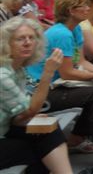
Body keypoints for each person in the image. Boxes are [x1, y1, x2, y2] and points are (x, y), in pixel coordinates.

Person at [26, 0, 93, 157]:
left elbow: (80, 61)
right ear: (70, 11)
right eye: (82, 6)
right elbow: (68, 73)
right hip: (41, 91)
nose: (87, 9)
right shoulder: (62, 34)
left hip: (55, 84)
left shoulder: (74, 29)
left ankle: (76, 138)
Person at [0, 17, 71, 174]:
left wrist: (28, 117)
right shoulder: (2, 75)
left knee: (46, 132)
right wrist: (48, 73)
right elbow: (30, 109)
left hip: (5, 129)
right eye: (20, 39)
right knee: (40, 149)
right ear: (7, 44)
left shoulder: (18, 70)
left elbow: (19, 115)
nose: (27, 42)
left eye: (31, 38)